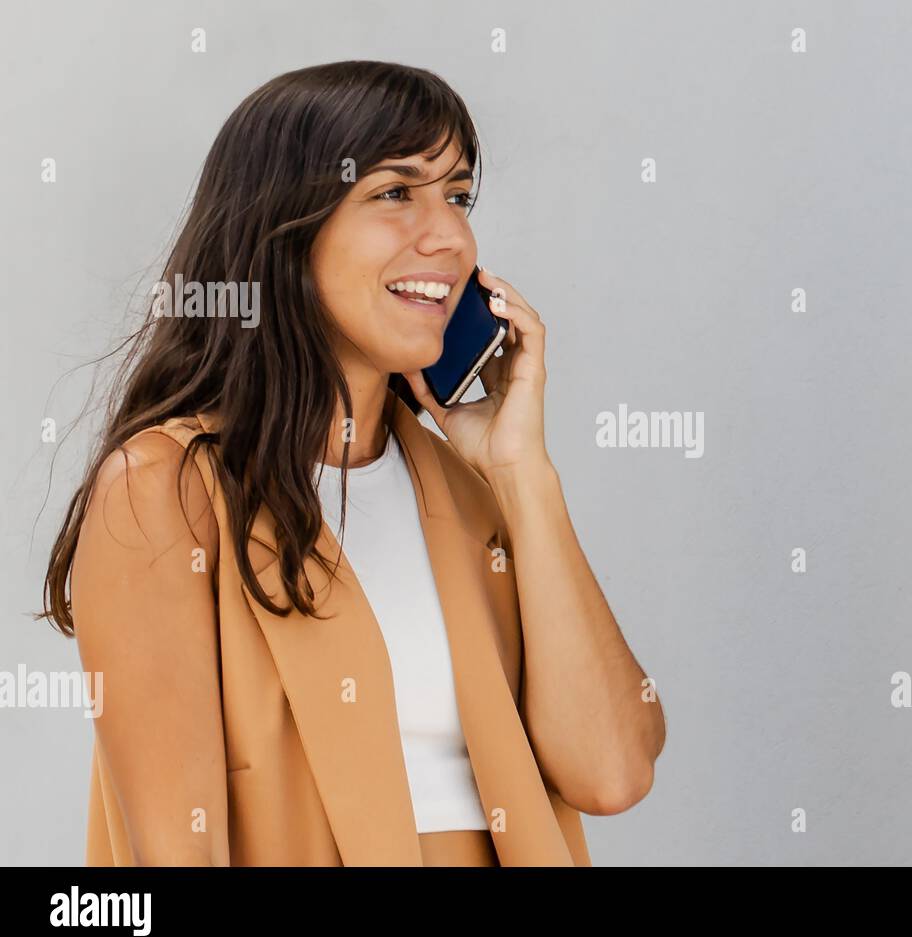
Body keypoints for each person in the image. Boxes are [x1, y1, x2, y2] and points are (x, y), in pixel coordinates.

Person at [38, 60, 666, 866]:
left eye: (459, 196)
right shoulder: (162, 491)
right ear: (285, 230)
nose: (449, 236)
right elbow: (174, 855)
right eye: (395, 193)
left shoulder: (474, 494)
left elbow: (612, 773)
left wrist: (523, 475)